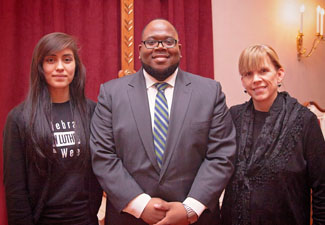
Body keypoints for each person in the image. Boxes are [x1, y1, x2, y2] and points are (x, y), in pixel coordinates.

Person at [90, 18, 236, 225]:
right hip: (131, 218)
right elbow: (103, 155)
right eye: (151, 42)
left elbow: (221, 154)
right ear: (140, 50)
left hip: (195, 218)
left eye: (168, 41)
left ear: (180, 48)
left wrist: (189, 209)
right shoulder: (111, 94)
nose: (160, 47)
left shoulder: (210, 92)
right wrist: (141, 206)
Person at [3, 32, 102, 225]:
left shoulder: (93, 112)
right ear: (40, 67)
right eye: (51, 60)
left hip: (85, 220)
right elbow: (15, 189)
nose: (60, 67)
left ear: (76, 66)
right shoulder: (19, 118)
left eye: (67, 59)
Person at [220, 44, 325, 225]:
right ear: (243, 81)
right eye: (248, 74)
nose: (256, 79)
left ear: (279, 74)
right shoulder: (234, 116)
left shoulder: (304, 120)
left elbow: (322, 186)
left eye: (263, 71)